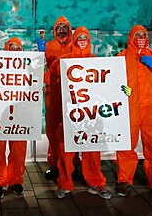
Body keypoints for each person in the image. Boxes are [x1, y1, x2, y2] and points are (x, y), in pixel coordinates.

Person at [50, 26, 112, 200]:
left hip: (90, 114)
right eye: (80, 38)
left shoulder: (97, 61)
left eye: (85, 38)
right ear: (75, 40)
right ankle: (65, 183)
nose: (83, 40)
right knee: (65, 149)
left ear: (89, 40)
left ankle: (96, 182)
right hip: (70, 112)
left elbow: (107, 85)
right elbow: (51, 75)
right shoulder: (64, 60)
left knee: (92, 149)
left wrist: (123, 90)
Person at [114, 25, 152, 203]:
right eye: (137, 34)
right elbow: (111, 80)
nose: (141, 37)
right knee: (126, 145)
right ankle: (124, 181)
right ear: (131, 37)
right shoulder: (122, 57)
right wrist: (121, 90)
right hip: (129, 108)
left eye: (144, 34)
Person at [0, 37, 28, 199]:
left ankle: (15, 180)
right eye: (11, 47)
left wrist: (42, 86)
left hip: (20, 114)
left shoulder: (28, 68)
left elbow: (39, 81)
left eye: (18, 48)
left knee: (18, 149)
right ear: (6, 49)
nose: (15, 51)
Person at [42, 16, 73, 180]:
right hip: (52, 94)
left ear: (69, 30)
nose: (61, 30)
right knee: (53, 132)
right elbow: (41, 69)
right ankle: (54, 165)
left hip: (73, 97)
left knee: (72, 130)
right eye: (58, 27)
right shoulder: (47, 47)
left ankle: (73, 165)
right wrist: (40, 56)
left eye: (64, 27)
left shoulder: (76, 47)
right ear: (55, 31)